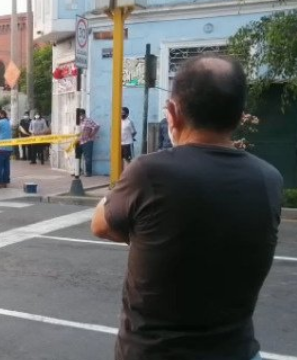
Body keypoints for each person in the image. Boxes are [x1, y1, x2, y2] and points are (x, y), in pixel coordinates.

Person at [91, 54, 282, 360]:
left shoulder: (150, 172)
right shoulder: (269, 179)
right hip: (238, 352)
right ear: (239, 116)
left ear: (173, 111)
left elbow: (100, 224)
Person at [78, 109, 100, 176]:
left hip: (87, 141)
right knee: (77, 156)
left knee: (87, 157)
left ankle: (88, 172)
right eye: (79, 115)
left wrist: (92, 134)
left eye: (81, 114)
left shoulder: (88, 120)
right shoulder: (78, 122)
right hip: (79, 141)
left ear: (84, 114)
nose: (80, 116)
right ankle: (78, 170)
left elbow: (97, 126)